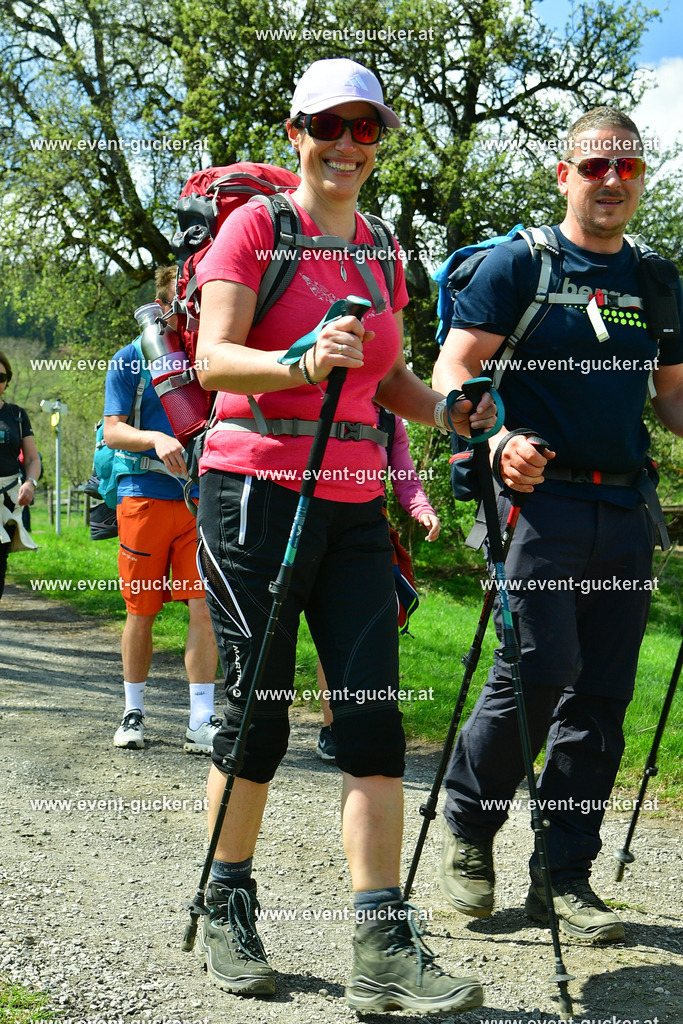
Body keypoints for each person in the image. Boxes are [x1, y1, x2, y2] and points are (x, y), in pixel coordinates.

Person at [192, 58, 493, 1012]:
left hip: (355, 499)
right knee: (257, 711)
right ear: (297, 133)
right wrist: (298, 359)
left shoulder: (382, 247)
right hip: (252, 493)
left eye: (366, 129)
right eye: (329, 125)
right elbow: (212, 360)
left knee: (369, 715)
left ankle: (381, 945)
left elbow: (388, 379)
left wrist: (445, 410)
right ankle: (226, 904)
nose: (348, 144)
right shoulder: (257, 227)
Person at [433, 106, 683, 944]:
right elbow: (455, 364)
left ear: (639, 178)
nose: (610, 181)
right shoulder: (521, 264)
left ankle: (563, 874)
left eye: (626, 167)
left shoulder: (654, 280)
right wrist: (494, 438)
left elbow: (672, 396)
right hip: (536, 502)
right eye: (593, 166)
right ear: (562, 175)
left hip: (624, 506)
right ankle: (471, 827)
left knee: (603, 692)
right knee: (537, 671)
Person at [104, 267, 219, 753]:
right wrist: (154, 437)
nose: (191, 308)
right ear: (163, 302)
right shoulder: (130, 358)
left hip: (197, 500)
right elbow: (113, 430)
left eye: (197, 298)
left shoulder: (208, 355)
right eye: (183, 299)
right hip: (143, 495)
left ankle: (201, 719)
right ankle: (132, 713)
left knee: (204, 608)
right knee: (142, 610)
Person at [317, 407, 440, 761]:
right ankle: (324, 725)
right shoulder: (322, 398)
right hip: (306, 523)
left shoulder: (390, 418)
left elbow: (404, 474)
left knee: (351, 632)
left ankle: (343, 727)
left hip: (366, 532)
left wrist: (422, 509)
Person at [0, 349, 40, 599]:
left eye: (0, 377)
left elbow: (33, 458)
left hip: (6, 500)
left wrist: (30, 482)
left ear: (7, 381)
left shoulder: (16, 415)